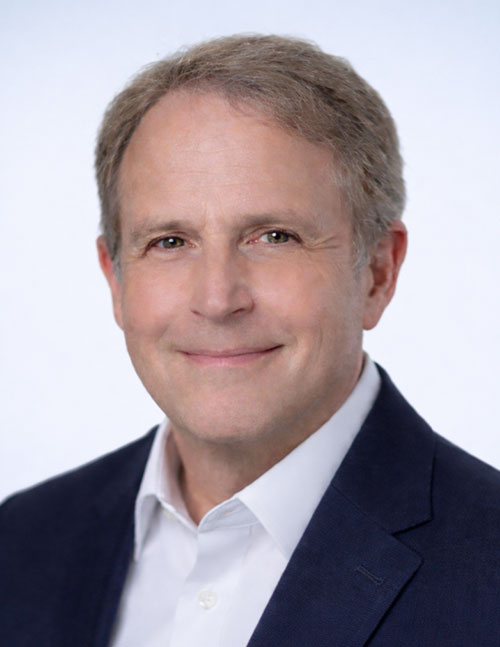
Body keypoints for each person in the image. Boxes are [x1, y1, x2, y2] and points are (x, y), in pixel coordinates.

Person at [1, 34, 500, 647]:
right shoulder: (21, 541)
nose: (218, 299)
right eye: (169, 242)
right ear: (116, 279)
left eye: (274, 237)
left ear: (377, 272)